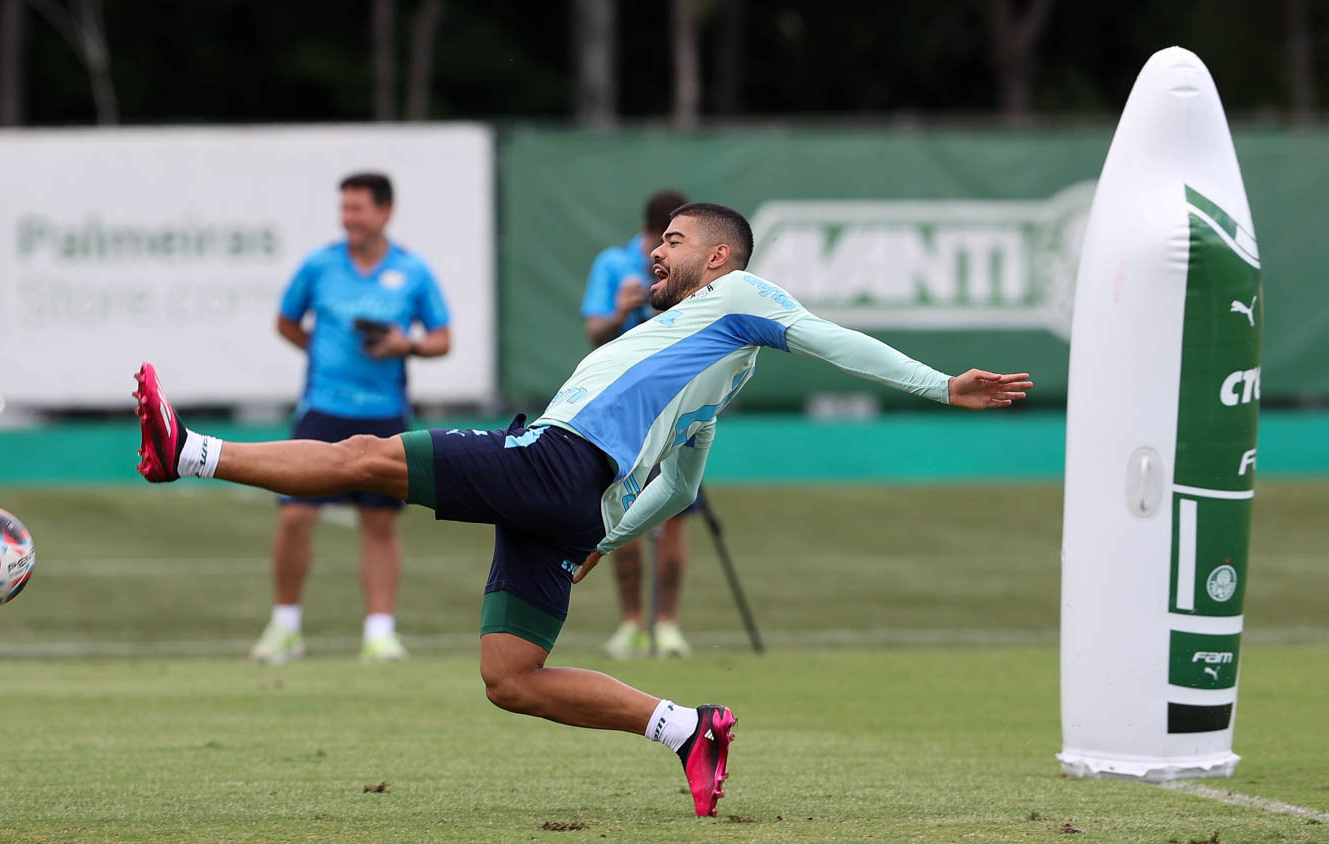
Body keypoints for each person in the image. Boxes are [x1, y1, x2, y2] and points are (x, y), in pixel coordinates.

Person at [132, 202, 1031, 816]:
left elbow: (830, 339)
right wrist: (605, 537)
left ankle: (190, 452)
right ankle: (689, 728)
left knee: (366, 456)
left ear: (718, 259)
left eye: (675, 240)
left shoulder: (742, 301)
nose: (658, 250)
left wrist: (940, 385)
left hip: (560, 459)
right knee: (510, 679)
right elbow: (679, 487)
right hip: (577, 500)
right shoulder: (707, 367)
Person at [249, 171, 452, 666]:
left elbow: (443, 339)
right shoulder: (319, 265)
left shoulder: (414, 271)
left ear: (384, 212)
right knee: (295, 515)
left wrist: (408, 346)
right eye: (344, 208)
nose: (348, 218)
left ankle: (380, 634)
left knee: (379, 523)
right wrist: (322, 352)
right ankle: (285, 627)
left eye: (357, 208)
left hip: (385, 415)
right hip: (322, 410)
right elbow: (285, 321)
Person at [580, 189, 697, 659]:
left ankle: (666, 623)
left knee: (674, 515)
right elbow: (595, 333)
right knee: (620, 512)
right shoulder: (614, 263)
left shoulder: (698, 267)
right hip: (622, 410)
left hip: (676, 403)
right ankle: (632, 622)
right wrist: (623, 309)